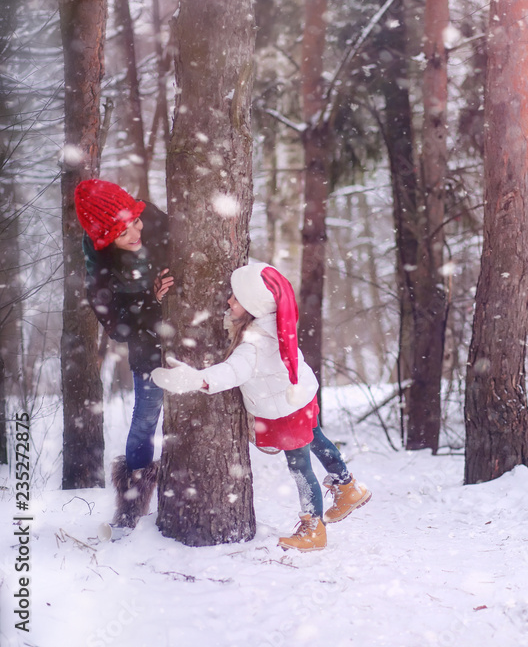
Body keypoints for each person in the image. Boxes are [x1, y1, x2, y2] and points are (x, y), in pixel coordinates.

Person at [151, 262, 371, 552]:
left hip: (285, 408)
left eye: (236, 299)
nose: (229, 302)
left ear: (254, 306)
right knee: (316, 436)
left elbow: (232, 371)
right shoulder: (276, 319)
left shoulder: (254, 345)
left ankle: (314, 529)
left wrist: (197, 379)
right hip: (300, 395)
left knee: (300, 466)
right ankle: (348, 486)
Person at [75, 179, 174, 530]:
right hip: (148, 350)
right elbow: (119, 329)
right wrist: (152, 299)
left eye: (135, 222)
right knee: (146, 420)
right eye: (122, 232)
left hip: (193, 341)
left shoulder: (156, 221)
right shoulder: (101, 273)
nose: (135, 233)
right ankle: (131, 509)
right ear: (106, 241)